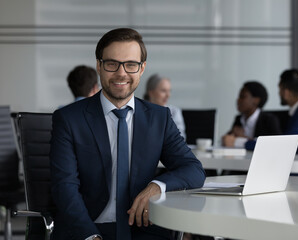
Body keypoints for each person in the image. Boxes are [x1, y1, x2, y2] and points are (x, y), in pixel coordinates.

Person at [50, 28, 206, 240]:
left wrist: (156, 187)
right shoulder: (69, 119)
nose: (121, 73)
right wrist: (89, 236)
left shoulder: (159, 118)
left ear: (142, 69)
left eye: (131, 64)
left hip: (143, 229)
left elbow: (193, 169)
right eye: (112, 63)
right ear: (99, 66)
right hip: (87, 228)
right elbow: (64, 187)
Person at [222, 81, 281, 150]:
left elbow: (275, 145)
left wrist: (242, 138)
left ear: (256, 100)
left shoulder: (269, 120)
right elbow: (228, 141)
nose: (238, 100)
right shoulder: (239, 118)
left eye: (242, 97)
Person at [143, 74, 186, 139]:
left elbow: (180, 138)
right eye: (163, 91)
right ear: (151, 92)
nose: (168, 95)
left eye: (169, 91)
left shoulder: (174, 111)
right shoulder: (138, 110)